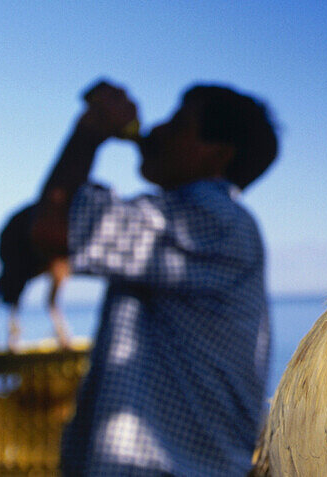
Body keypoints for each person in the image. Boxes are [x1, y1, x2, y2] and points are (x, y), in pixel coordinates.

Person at [30, 80, 279, 476]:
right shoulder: (199, 221)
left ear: (218, 155)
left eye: (178, 124)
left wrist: (91, 130)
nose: (157, 130)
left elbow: (50, 227)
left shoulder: (208, 218)